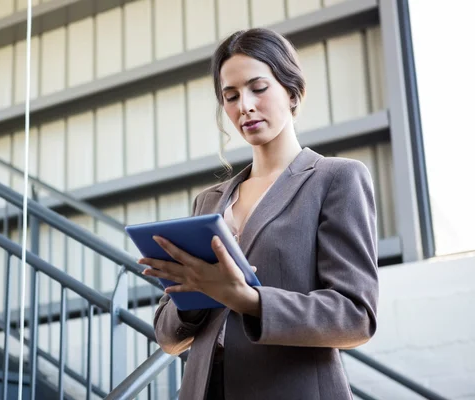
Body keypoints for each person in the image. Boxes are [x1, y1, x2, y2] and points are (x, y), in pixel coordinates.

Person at [139, 28, 378, 400]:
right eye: (230, 96)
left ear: (292, 92)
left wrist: (247, 300)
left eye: (258, 88)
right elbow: (170, 338)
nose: (244, 106)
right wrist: (196, 292)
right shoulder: (208, 202)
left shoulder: (336, 179)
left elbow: (355, 317)